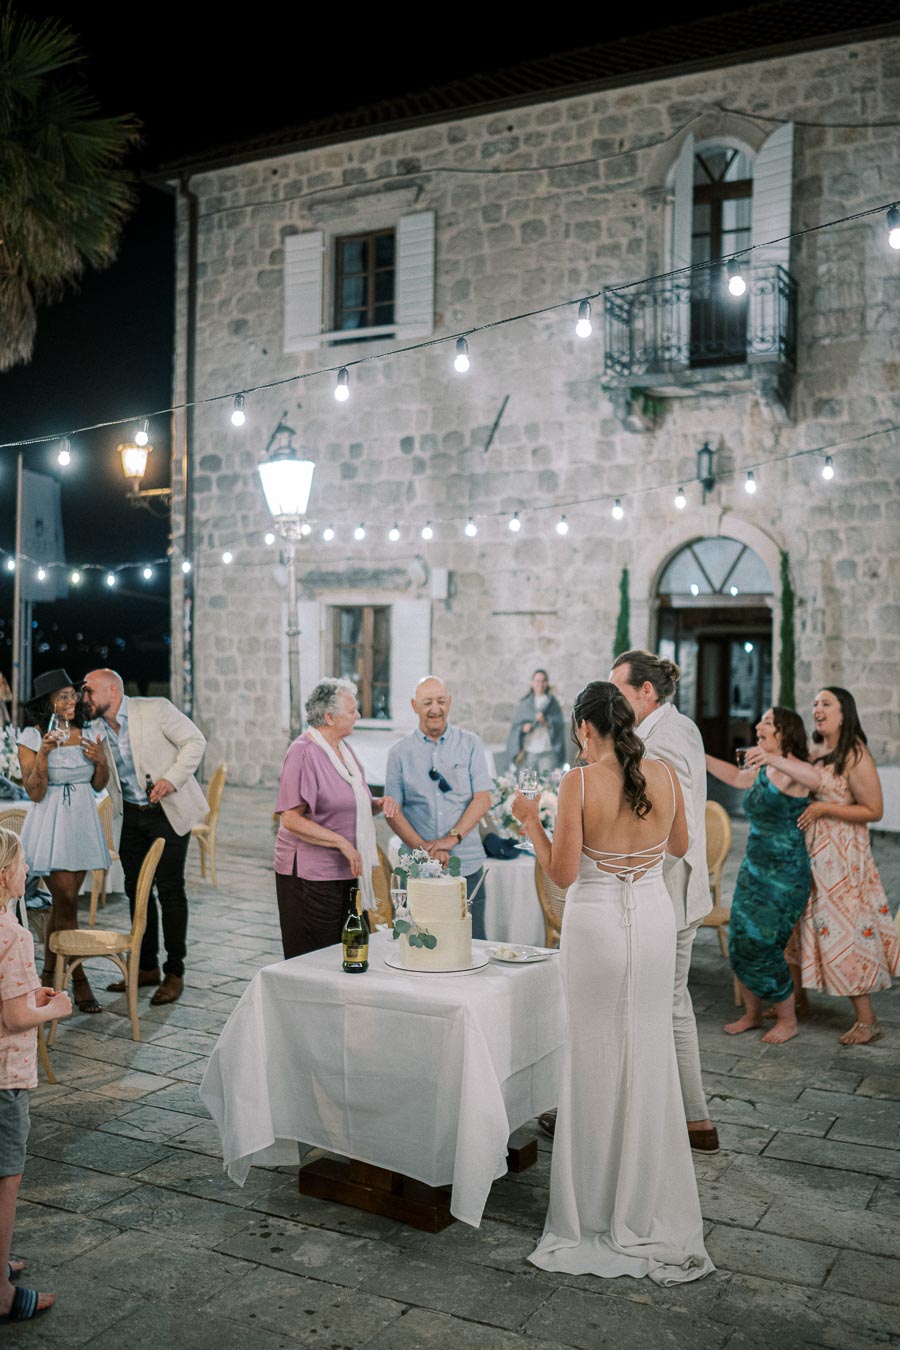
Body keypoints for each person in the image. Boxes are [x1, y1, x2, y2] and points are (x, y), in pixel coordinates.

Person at [512, 682, 713, 1285]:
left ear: (584, 728)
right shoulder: (666, 776)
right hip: (652, 918)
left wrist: (530, 823)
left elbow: (566, 873)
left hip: (597, 924)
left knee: (593, 1053)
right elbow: (679, 846)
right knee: (646, 1048)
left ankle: (593, 1207)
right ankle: (646, 1199)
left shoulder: (577, 782)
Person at [609, 650, 717, 1152]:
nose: (615, 701)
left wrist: (634, 874)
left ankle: (686, 1119)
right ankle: (687, 1118)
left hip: (668, 891)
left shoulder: (667, 738)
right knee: (663, 1002)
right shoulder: (670, 728)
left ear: (646, 692)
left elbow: (672, 824)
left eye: (621, 691)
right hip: (670, 890)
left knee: (665, 1003)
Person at [80, 669, 208, 1006]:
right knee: (135, 891)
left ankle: (175, 971)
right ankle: (147, 967)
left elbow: (195, 741)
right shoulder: (95, 729)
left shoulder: (155, 709)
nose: (84, 697)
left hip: (167, 810)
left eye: (89, 690)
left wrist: (171, 779)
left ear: (113, 689)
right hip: (132, 816)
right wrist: (95, 764)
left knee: (170, 891)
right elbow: (100, 781)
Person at [786, 687, 899, 1045]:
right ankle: (798, 999)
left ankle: (867, 1020)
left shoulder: (855, 754)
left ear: (843, 712)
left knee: (841, 931)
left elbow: (874, 810)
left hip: (842, 860)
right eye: (816, 704)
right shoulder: (815, 750)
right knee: (797, 924)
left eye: (826, 704)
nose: (817, 709)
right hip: (808, 854)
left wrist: (823, 808)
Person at [706, 707, 816, 1044]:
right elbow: (737, 777)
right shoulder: (763, 771)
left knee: (766, 944)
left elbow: (817, 780)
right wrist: (700, 755)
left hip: (785, 875)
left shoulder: (797, 771)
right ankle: (753, 1014)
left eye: (767, 723)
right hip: (754, 869)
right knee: (740, 937)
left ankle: (788, 1019)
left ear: (785, 732)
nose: (758, 726)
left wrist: (774, 758)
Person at [0, 827, 72, 1323]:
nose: (29, 871)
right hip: (6, 1075)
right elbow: (14, 1019)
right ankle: (0, 1297)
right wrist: (57, 1008)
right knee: (6, 1178)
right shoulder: (15, 934)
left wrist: (28, 1000)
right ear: (6, 876)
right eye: (23, 864)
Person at [274, 679, 398, 959]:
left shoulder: (344, 750)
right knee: (318, 957)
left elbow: (351, 803)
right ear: (329, 717)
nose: (358, 715)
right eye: (352, 711)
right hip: (310, 874)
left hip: (347, 870)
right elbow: (291, 819)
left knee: (348, 948)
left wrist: (377, 804)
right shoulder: (303, 751)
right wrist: (340, 842)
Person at [16, 670, 110, 1013]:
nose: (70, 702)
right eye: (63, 697)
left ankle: (47, 975)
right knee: (67, 899)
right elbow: (34, 791)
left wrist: (100, 762)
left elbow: (99, 783)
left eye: (72, 695)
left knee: (62, 905)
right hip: (50, 822)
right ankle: (80, 980)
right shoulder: (32, 735)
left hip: (82, 822)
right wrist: (43, 753)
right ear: (48, 704)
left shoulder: (90, 731)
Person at [385, 676, 493, 939]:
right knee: (420, 941)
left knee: (472, 941)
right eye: (427, 702)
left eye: (441, 701)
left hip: (466, 862)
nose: (435, 708)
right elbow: (393, 811)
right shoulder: (399, 753)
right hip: (417, 868)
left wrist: (450, 840)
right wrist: (424, 850)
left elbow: (482, 799)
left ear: (450, 702)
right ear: (414, 706)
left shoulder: (471, 744)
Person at [505, 669, 566, 775]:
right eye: (538, 681)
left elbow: (559, 725)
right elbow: (516, 727)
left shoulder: (553, 703)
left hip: (547, 751)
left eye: (543, 681)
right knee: (528, 784)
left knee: (546, 785)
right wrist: (523, 728)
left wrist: (545, 722)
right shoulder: (525, 703)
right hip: (529, 751)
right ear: (532, 683)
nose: (540, 684)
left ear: (546, 683)